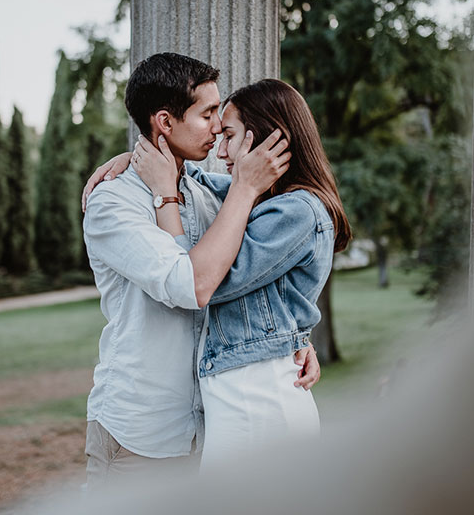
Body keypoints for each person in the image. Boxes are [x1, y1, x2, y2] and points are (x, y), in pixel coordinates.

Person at [80, 53, 319, 487]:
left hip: (214, 431)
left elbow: (277, 257)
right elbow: (189, 286)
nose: (218, 128)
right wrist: (241, 186)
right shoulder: (112, 203)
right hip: (142, 437)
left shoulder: (208, 194)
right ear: (165, 123)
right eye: (208, 114)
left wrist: (295, 337)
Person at [112, 78, 350, 467]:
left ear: (269, 140)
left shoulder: (296, 211)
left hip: (260, 403)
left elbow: (201, 281)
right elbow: (195, 178)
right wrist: (132, 160)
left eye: (229, 135)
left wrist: (164, 196)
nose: (219, 150)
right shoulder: (265, 199)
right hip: (243, 399)